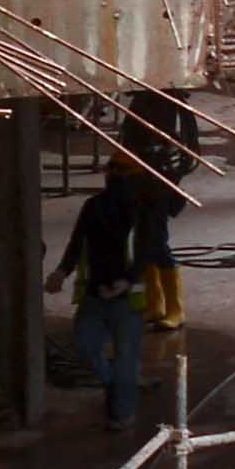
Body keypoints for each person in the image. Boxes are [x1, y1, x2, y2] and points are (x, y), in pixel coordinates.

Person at [58, 119, 183, 434]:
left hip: (128, 300)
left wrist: (127, 281)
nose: (114, 178)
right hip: (94, 295)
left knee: (127, 359)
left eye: (120, 173)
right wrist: (63, 271)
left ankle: (122, 413)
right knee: (87, 347)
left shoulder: (145, 211)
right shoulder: (94, 207)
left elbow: (149, 252)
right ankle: (117, 383)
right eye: (112, 172)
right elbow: (78, 241)